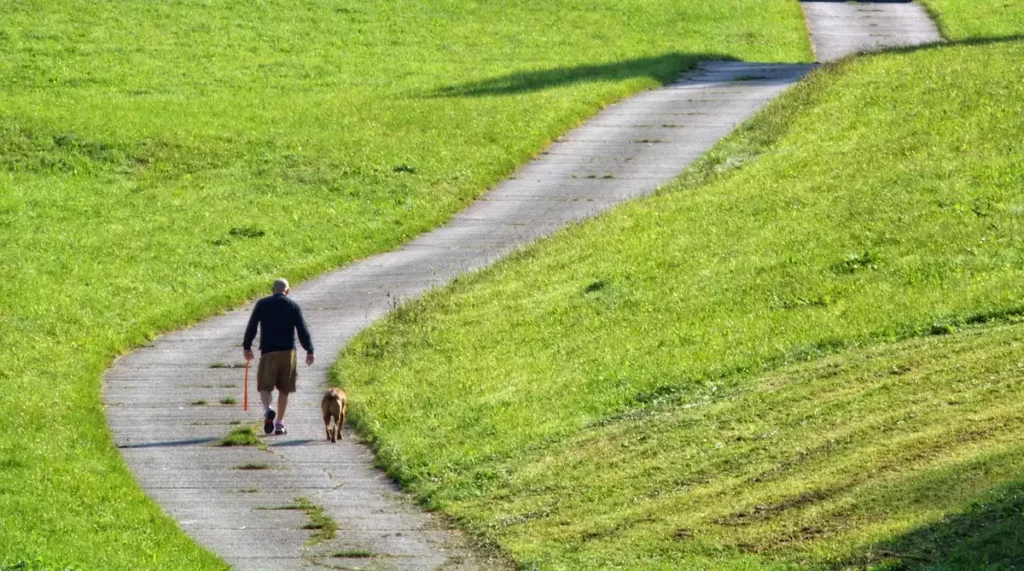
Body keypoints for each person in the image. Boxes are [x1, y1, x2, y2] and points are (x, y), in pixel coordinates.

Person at [242, 278, 314, 435]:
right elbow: (302, 330)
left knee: (264, 387)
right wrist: (309, 349)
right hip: (288, 353)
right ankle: (280, 423)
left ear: (272, 289)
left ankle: (268, 409)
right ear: (287, 291)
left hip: (268, 352)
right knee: (284, 389)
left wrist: (247, 346)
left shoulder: (262, 304)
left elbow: (252, 326)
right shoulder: (293, 306)